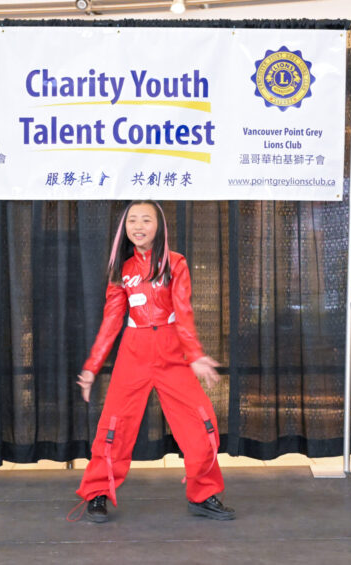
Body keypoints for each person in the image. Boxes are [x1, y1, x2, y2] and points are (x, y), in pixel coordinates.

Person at [71, 200, 235, 523]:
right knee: (114, 426)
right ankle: (97, 493)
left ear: (159, 226)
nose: (138, 226)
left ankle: (203, 495)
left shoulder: (176, 263)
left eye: (146, 219)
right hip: (134, 352)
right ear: (125, 228)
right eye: (132, 220)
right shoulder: (121, 270)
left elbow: (183, 311)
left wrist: (195, 354)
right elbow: (111, 321)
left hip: (172, 352)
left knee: (200, 423)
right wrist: (92, 366)